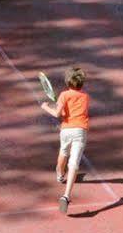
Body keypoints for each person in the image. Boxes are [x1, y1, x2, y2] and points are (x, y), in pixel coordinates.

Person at [39, 66, 91, 214]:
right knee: (74, 162)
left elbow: (58, 113)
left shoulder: (63, 95)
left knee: (63, 152)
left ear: (67, 82)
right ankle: (66, 195)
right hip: (80, 130)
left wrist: (45, 107)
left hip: (66, 130)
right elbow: (77, 110)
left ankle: (60, 174)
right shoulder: (86, 97)